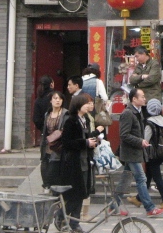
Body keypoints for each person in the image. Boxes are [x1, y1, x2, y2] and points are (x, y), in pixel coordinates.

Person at [119, 88, 163, 217]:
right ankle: (150, 208)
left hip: (135, 152)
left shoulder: (138, 112)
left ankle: (113, 206)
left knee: (124, 180)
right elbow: (124, 135)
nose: (145, 99)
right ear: (134, 99)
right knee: (141, 178)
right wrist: (140, 141)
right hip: (131, 153)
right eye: (142, 97)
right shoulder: (128, 113)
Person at [59, 93, 100, 233]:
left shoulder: (85, 120)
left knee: (82, 193)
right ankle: (62, 216)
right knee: (75, 194)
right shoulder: (71, 121)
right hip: (73, 163)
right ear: (78, 105)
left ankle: (74, 222)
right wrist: (85, 143)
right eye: (86, 103)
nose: (88, 106)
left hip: (85, 161)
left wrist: (93, 141)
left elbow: (86, 138)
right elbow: (67, 142)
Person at [145, 98, 163, 209]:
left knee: (157, 177)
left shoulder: (149, 123)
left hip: (153, 154)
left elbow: (145, 140)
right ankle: (139, 198)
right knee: (148, 175)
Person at [40, 91, 68, 194]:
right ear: (51, 101)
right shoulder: (47, 114)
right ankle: (46, 186)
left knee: (53, 170)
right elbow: (45, 131)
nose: (58, 100)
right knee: (44, 168)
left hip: (58, 146)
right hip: (47, 146)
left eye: (60, 98)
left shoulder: (65, 114)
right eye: (55, 98)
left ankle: (53, 190)